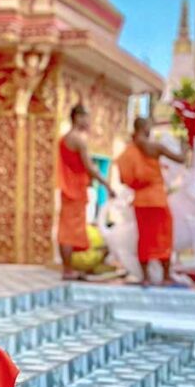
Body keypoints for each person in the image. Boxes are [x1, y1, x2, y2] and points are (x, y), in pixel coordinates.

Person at [116, 117, 187, 285]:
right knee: (164, 236)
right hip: (157, 199)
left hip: (141, 200)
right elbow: (181, 159)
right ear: (145, 128)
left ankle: (146, 277)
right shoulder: (155, 147)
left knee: (145, 238)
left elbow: (124, 178)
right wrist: (185, 146)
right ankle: (165, 276)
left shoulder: (128, 151)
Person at [58, 104, 114, 280]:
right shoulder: (77, 139)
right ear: (77, 117)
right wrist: (107, 185)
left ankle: (69, 268)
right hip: (73, 189)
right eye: (86, 117)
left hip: (72, 188)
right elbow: (90, 167)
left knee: (70, 228)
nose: (88, 121)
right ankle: (67, 269)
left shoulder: (66, 138)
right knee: (68, 231)